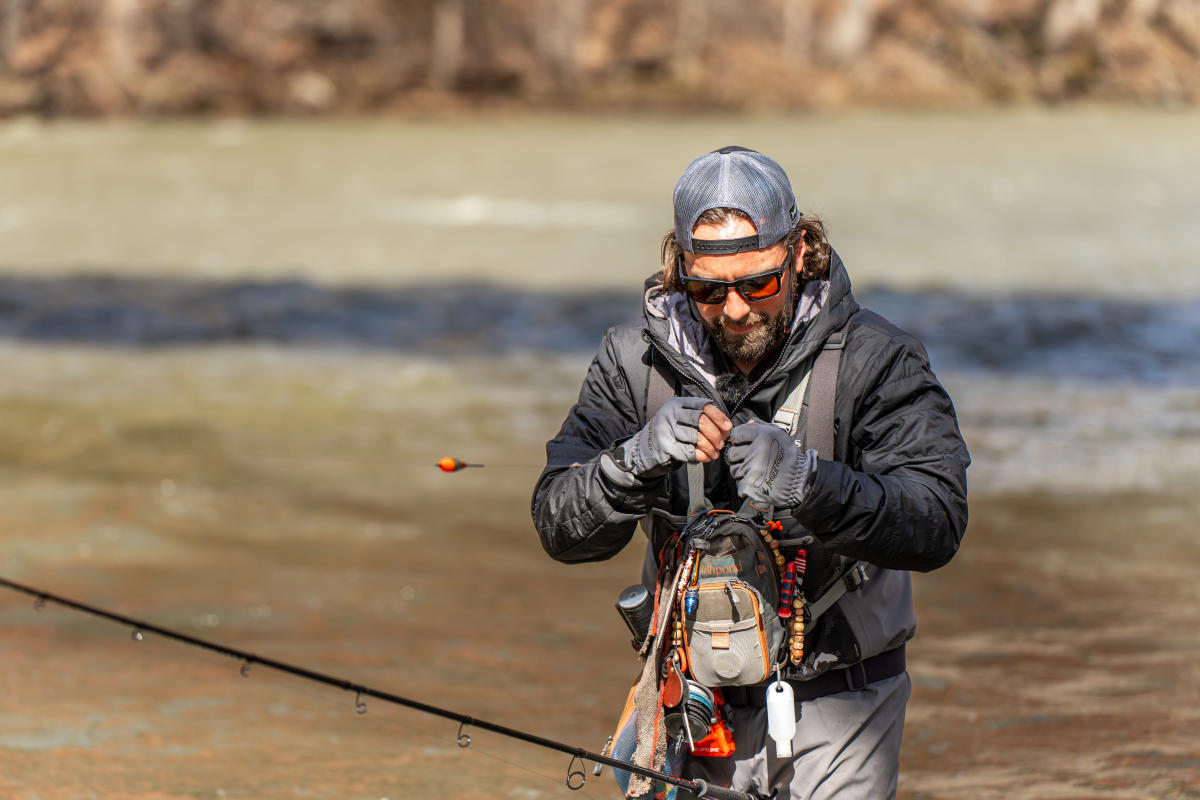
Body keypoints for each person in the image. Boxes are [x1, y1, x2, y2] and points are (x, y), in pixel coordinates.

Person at [531, 146, 969, 800]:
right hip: (690, 711)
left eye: (757, 283)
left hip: (841, 703)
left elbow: (936, 521)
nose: (735, 309)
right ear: (678, 270)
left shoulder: (879, 360)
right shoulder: (629, 367)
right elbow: (557, 525)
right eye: (709, 290)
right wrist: (630, 466)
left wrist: (810, 485)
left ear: (798, 252)